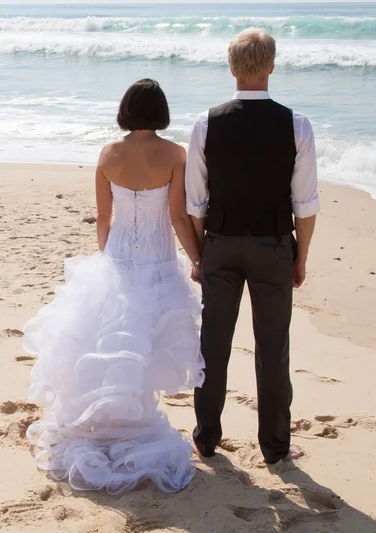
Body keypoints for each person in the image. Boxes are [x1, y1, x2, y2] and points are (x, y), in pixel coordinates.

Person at [23, 79, 205, 494]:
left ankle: (104, 418)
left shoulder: (108, 154)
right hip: (158, 263)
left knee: (107, 341)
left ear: (125, 110)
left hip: (118, 259)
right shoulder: (175, 154)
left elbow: (103, 219)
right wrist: (197, 258)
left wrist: (107, 260)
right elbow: (178, 217)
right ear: (160, 112)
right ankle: (134, 420)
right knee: (146, 343)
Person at [186, 28, 320, 464]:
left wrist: (201, 254)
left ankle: (206, 439)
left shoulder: (206, 123)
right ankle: (276, 448)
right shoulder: (296, 124)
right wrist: (301, 255)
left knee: (214, 345)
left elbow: (196, 201)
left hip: (220, 244)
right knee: (273, 347)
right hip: (274, 245)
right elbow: (305, 203)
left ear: (232, 69)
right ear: (272, 66)